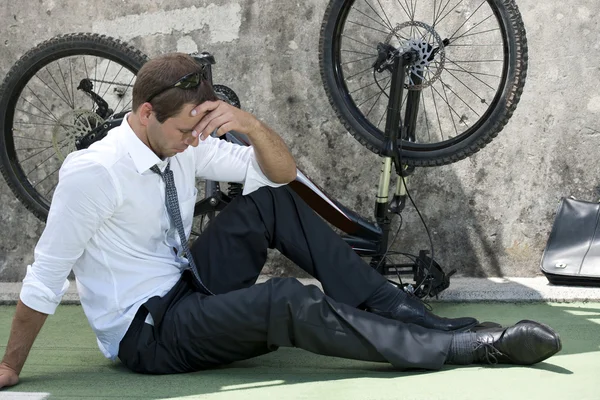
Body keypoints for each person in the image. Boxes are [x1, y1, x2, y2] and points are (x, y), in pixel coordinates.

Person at [0, 53, 561, 387]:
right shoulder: (92, 173)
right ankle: (463, 347)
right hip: (148, 331)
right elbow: (47, 275)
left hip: (185, 282)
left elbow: (280, 172)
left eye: (201, 128)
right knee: (288, 299)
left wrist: (246, 122)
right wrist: (9, 367)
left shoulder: (182, 140)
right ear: (145, 114)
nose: (193, 142)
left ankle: (402, 310)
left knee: (271, 200)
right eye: (183, 131)